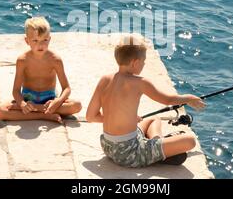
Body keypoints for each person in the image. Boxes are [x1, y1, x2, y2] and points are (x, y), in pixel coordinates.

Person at [86, 34, 205, 167]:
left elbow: (90, 116)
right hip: (129, 153)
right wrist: (189, 98)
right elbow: (167, 99)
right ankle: (158, 152)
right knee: (190, 141)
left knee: (154, 119)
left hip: (107, 146)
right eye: (143, 61)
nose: (144, 64)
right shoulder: (140, 83)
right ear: (135, 62)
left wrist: (127, 119)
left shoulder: (104, 79)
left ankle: (157, 144)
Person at [0, 17, 82, 123]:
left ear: (50, 39)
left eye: (45, 40)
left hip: (49, 100)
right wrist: (22, 104)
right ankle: (45, 116)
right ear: (27, 41)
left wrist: (58, 101)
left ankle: (39, 112)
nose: (41, 45)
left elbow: (66, 88)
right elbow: (16, 91)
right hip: (28, 101)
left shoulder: (55, 60)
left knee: (77, 106)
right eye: (35, 40)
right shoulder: (22, 60)